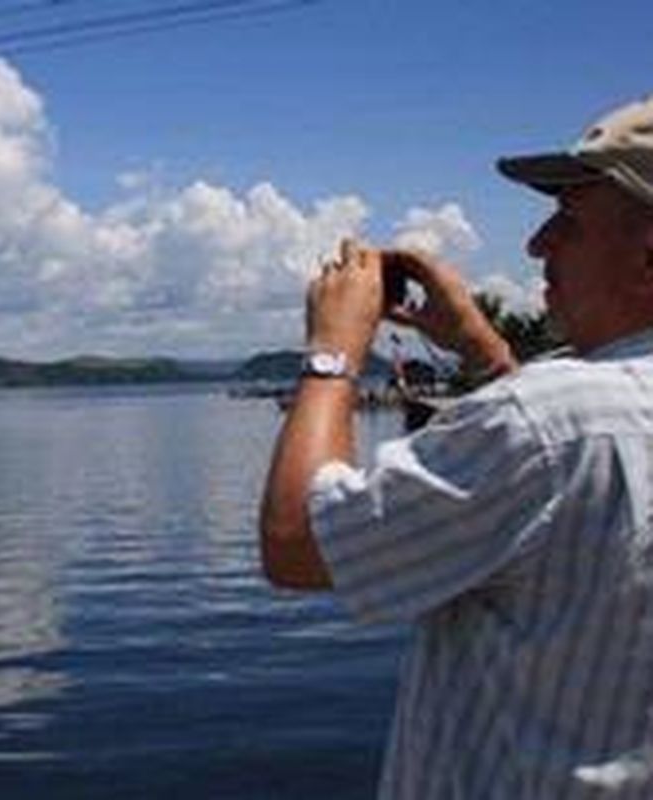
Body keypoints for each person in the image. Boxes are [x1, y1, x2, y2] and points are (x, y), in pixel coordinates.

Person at [260, 95, 653, 798]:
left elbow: (298, 542)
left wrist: (333, 353)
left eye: (570, 218)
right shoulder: (564, 418)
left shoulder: (552, 419)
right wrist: (485, 353)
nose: (538, 245)